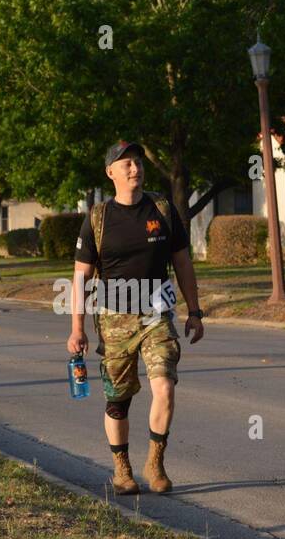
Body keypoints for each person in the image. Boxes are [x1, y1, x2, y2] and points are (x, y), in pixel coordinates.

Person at [67, 140, 204, 494]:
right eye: (125, 163)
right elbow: (81, 276)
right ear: (110, 172)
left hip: (156, 314)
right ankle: (122, 468)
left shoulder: (162, 209)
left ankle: (155, 462)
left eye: (138, 161)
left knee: (165, 386)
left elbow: (183, 262)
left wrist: (195, 311)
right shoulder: (98, 217)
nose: (134, 167)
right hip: (114, 319)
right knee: (118, 398)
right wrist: (77, 328)